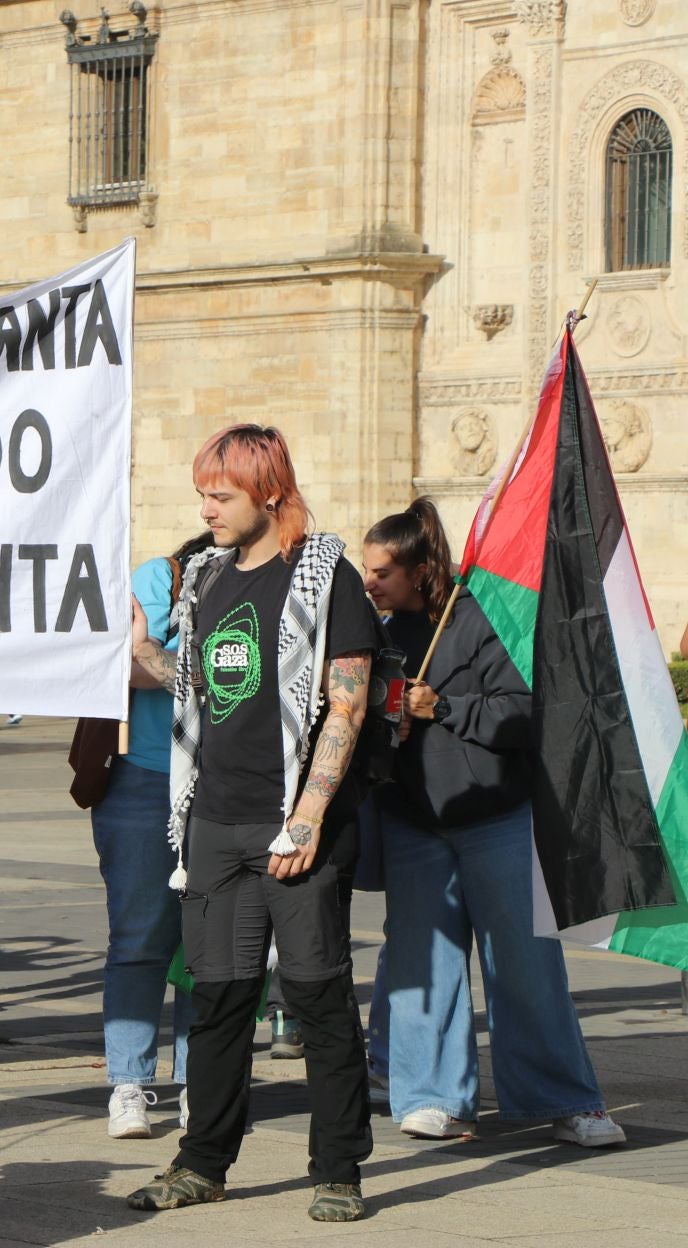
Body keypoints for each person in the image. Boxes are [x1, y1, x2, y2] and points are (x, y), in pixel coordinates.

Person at [124, 425, 379, 1223]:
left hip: (290, 826)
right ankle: (204, 1163)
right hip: (213, 822)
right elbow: (198, 681)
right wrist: (143, 656)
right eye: (203, 492)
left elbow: (348, 700)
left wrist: (307, 818)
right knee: (221, 1000)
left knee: (316, 996)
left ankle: (337, 1169)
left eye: (220, 494)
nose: (206, 509)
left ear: (269, 491)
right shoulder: (204, 575)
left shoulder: (322, 574)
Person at [361, 500, 624, 1147]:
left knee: (527, 966)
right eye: (366, 572)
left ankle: (566, 1099)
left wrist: (444, 705)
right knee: (426, 968)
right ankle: (431, 1095)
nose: (370, 584)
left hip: (497, 819)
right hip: (415, 824)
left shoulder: (481, 618)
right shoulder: (379, 635)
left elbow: (525, 714)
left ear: (422, 569)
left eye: (383, 573)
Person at [91, 531, 214, 1139]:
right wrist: (151, 656)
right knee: (139, 935)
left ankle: (201, 1083)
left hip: (223, 784)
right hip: (144, 779)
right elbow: (123, 664)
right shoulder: (155, 579)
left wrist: (157, 656)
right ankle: (128, 1083)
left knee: (209, 941)